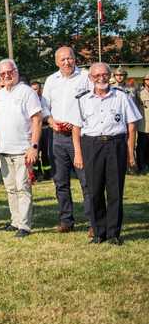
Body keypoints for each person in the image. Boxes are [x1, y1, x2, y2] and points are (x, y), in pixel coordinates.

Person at [70, 63, 141, 245]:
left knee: (115, 190)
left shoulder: (121, 97)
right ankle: (98, 232)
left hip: (115, 144)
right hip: (91, 145)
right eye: (96, 75)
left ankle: (113, 233)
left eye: (104, 74)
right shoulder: (82, 99)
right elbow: (76, 129)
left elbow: (131, 126)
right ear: (90, 78)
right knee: (94, 190)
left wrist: (130, 153)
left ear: (109, 75)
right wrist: (78, 153)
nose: (101, 78)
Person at [41, 47, 93, 235]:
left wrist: (79, 122)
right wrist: (51, 121)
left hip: (81, 137)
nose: (66, 62)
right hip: (57, 137)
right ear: (56, 62)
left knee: (87, 181)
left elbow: (93, 103)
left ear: (74, 58)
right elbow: (44, 107)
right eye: (62, 59)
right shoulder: (51, 80)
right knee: (60, 182)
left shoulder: (85, 77)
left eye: (69, 58)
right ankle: (66, 220)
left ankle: (93, 222)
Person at [0, 59, 42, 238]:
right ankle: (15, 221)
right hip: (3, 149)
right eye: (2, 74)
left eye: (9, 72)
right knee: (10, 188)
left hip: (22, 150)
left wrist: (33, 146)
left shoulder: (27, 92)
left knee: (23, 187)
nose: (6, 76)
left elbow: (37, 120)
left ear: (16, 71)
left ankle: (25, 225)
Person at [30, 81, 52, 181]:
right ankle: (37, 173)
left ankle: (47, 173)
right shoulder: (29, 100)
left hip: (46, 130)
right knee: (35, 152)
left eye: (36, 89)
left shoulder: (45, 100)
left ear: (41, 90)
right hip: (35, 130)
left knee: (46, 153)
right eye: (32, 89)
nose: (34, 91)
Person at [136, 74, 149, 174]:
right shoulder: (139, 93)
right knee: (142, 148)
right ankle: (141, 167)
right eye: (147, 79)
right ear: (144, 81)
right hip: (143, 126)